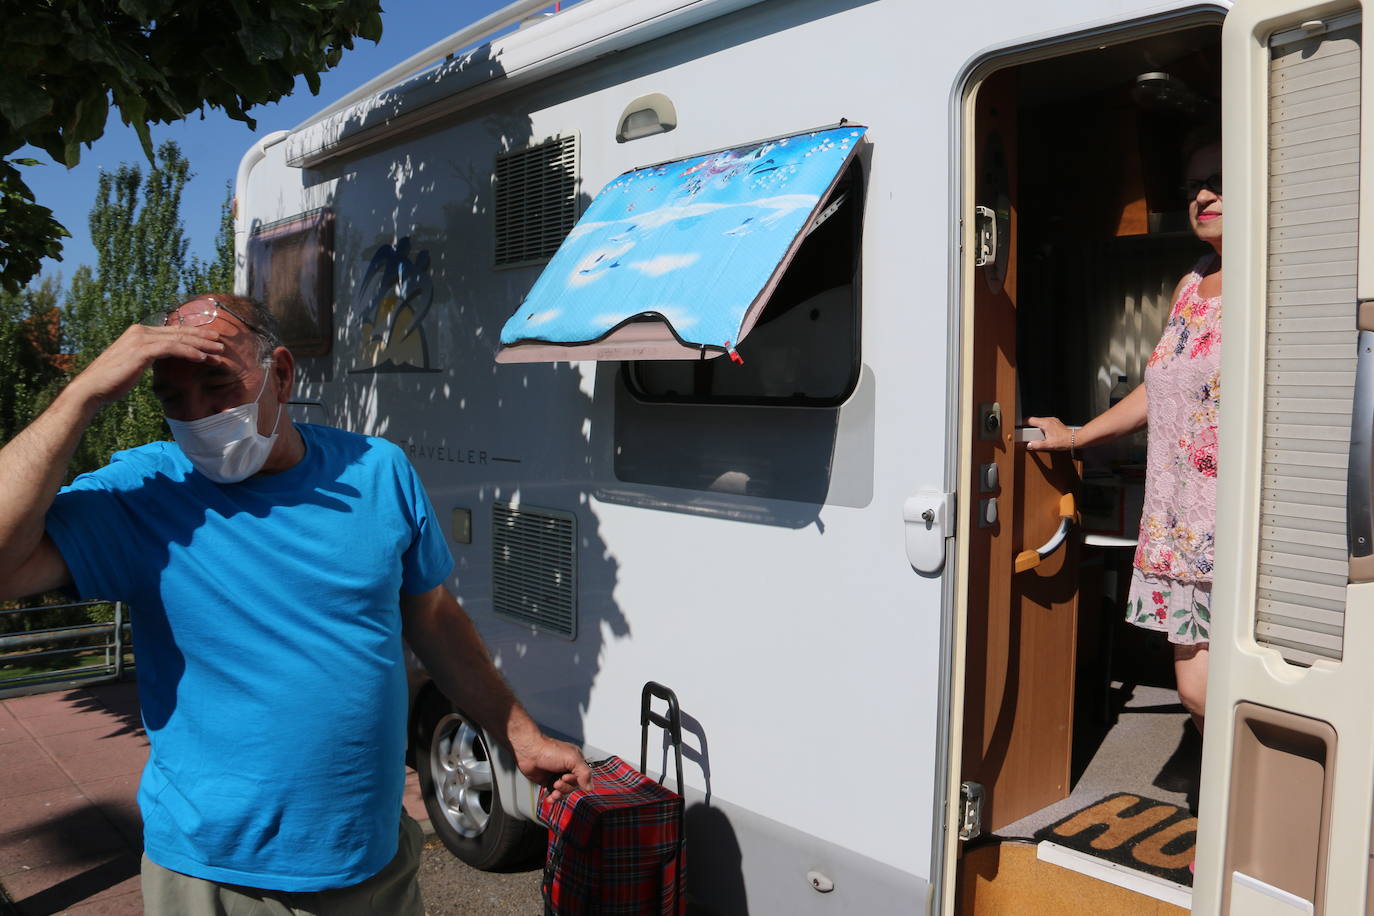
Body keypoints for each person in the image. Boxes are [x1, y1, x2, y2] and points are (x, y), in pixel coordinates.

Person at [0, 294, 592, 914]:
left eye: (218, 384)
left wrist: (519, 736)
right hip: (215, 878)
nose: (198, 415)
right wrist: (82, 395)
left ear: (281, 374)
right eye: (173, 400)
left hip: (372, 861)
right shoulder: (144, 491)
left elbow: (435, 618)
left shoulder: (378, 471)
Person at [1028, 136, 1222, 732]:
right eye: (1193, 187)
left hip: (1236, 517)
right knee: (1200, 685)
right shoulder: (1194, 282)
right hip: (1180, 515)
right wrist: (1077, 437)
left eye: (1220, 179)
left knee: (1204, 687)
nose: (1204, 196)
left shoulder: (1275, 279)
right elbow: (1156, 388)